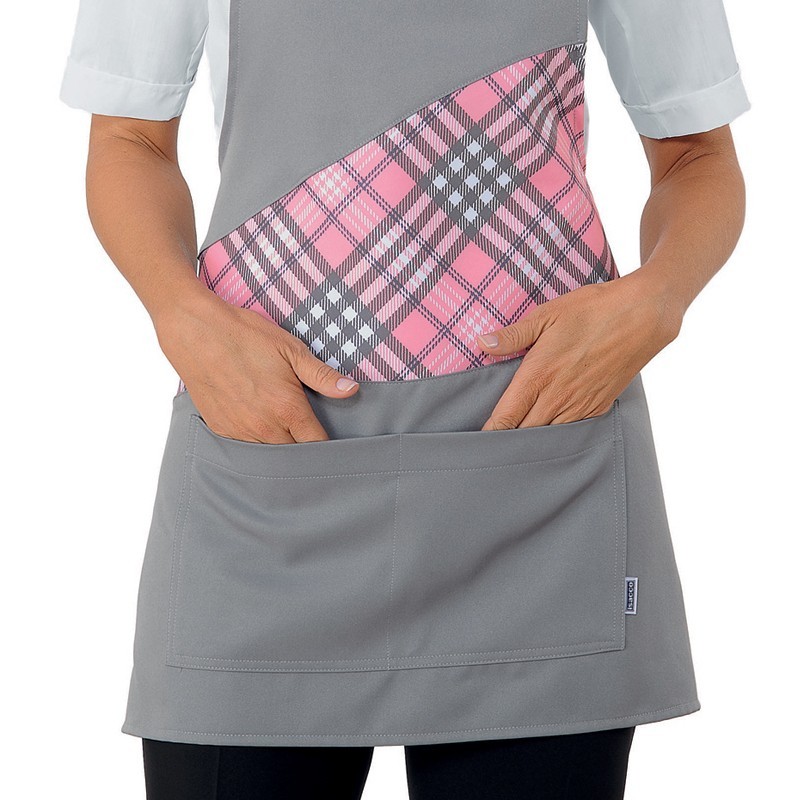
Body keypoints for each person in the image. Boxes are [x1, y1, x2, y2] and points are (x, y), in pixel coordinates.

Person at [59, 1, 750, 797]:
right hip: (268, 461)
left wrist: (659, 299)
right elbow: (130, 140)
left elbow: (697, 155)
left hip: (538, 475)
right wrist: (180, 315)